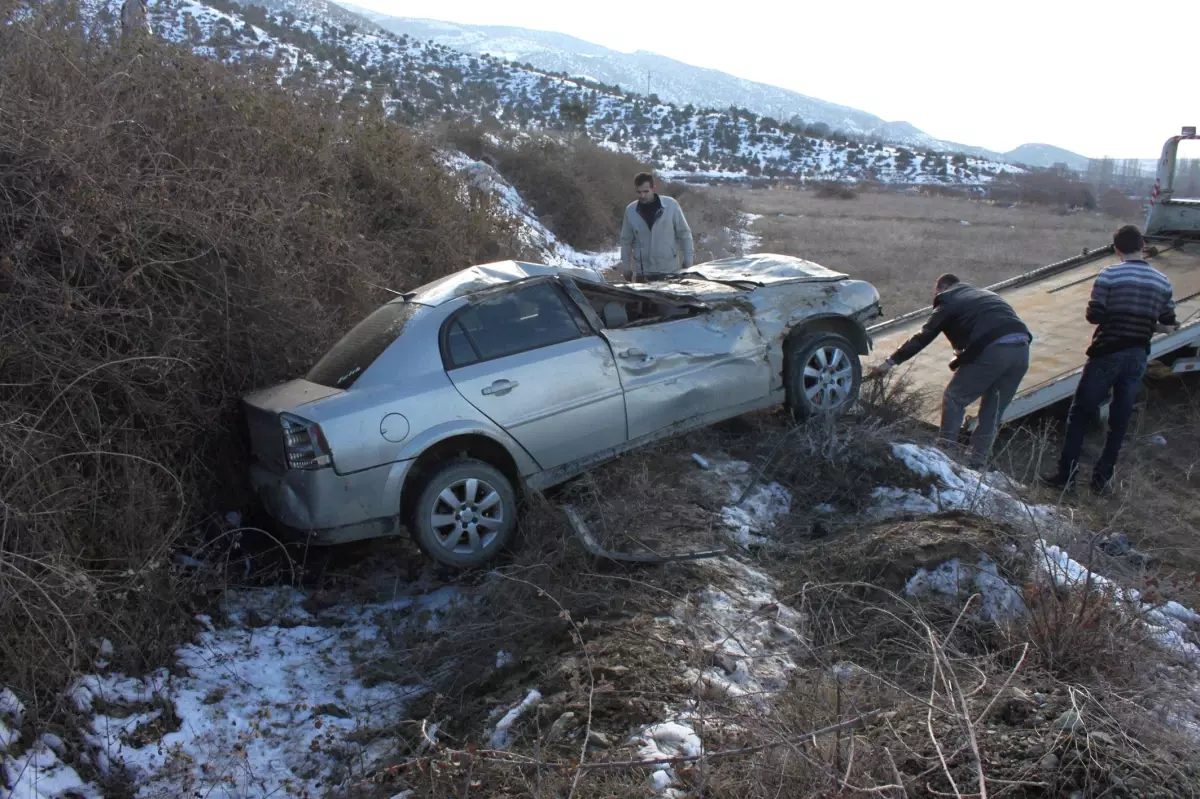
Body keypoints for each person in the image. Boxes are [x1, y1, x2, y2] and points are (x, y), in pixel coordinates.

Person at [1040, 224, 1178, 493]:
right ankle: (1101, 482)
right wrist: (1149, 323)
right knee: (1119, 421)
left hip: (1106, 352)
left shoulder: (1109, 275)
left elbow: (1094, 315)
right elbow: (1170, 323)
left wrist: (1117, 316)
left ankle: (1066, 476)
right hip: (1137, 357)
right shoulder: (1163, 281)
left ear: (1117, 250)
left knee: (1080, 413)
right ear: (1143, 245)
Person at [868, 273, 1032, 468]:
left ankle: (946, 455)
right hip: (1022, 350)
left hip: (994, 351)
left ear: (941, 289)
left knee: (954, 397)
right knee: (992, 412)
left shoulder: (948, 300)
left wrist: (889, 363)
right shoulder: (984, 295)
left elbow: (923, 337)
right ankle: (978, 463)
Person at [619, 172, 694, 282]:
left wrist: (688, 259)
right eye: (639, 192)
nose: (642, 195)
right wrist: (626, 267)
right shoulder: (631, 211)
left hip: (669, 271)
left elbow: (684, 233)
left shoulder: (671, 206)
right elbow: (626, 241)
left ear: (653, 188)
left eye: (646, 191)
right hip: (643, 273)